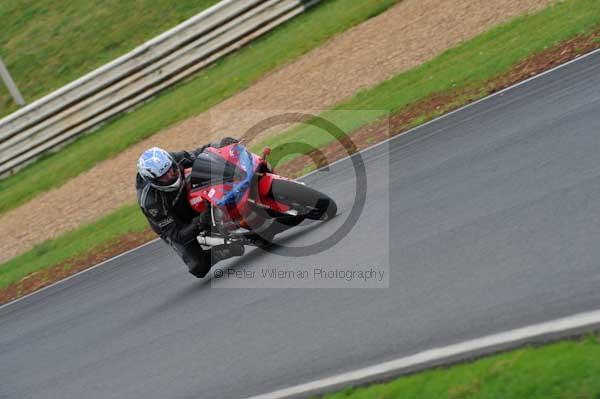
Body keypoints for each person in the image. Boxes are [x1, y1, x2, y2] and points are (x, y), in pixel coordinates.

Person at [136, 137, 244, 278]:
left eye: (171, 170)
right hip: (173, 222)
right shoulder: (151, 202)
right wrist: (201, 220)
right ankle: (227, 247)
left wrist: (221, 145)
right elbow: (177, 235)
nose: (170, 175)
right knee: (198, 267)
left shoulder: (172, 160)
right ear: (153, 181)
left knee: (208, 169)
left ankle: (236, 204)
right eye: (164, 176)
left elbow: (199, 153)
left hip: (185, 191)